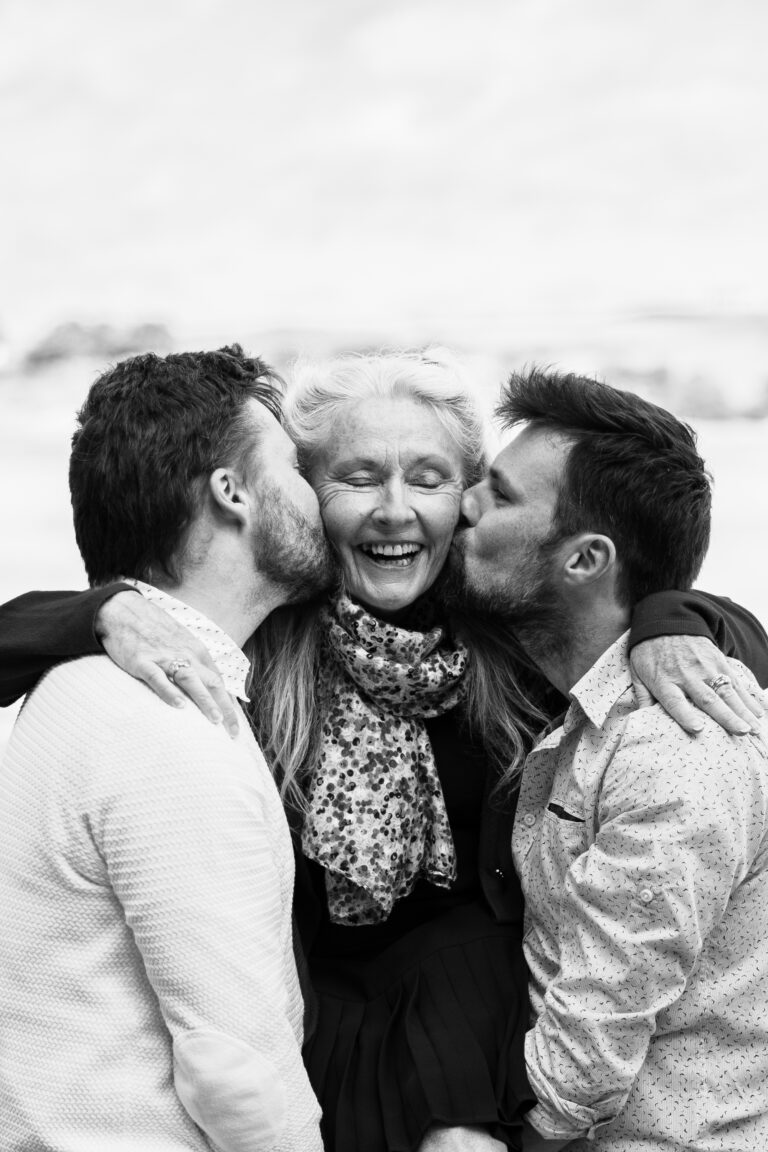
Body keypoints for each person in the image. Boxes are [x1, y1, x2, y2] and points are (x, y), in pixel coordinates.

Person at [1, 350, 766, 1152]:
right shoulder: (264, 624)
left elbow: (656, 613)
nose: (395, 512)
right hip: (317, 1031)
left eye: (430, 480)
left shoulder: (500, 618)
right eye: (358, 478)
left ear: (467, 498)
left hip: (476, 1038)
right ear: (302, 491)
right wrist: (99, 611)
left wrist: (675, 621)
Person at [0, 347, 332, 1150]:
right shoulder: (172, 730)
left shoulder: (73, 682)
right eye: (294, 467)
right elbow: (238, 1073)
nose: (319, 496)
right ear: (231, 492)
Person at [445, 367, 768, 1150]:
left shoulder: (671, 754)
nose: (463, 503)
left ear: (586, 560)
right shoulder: (577, 700)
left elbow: (581, 1068)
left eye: (499, 494)